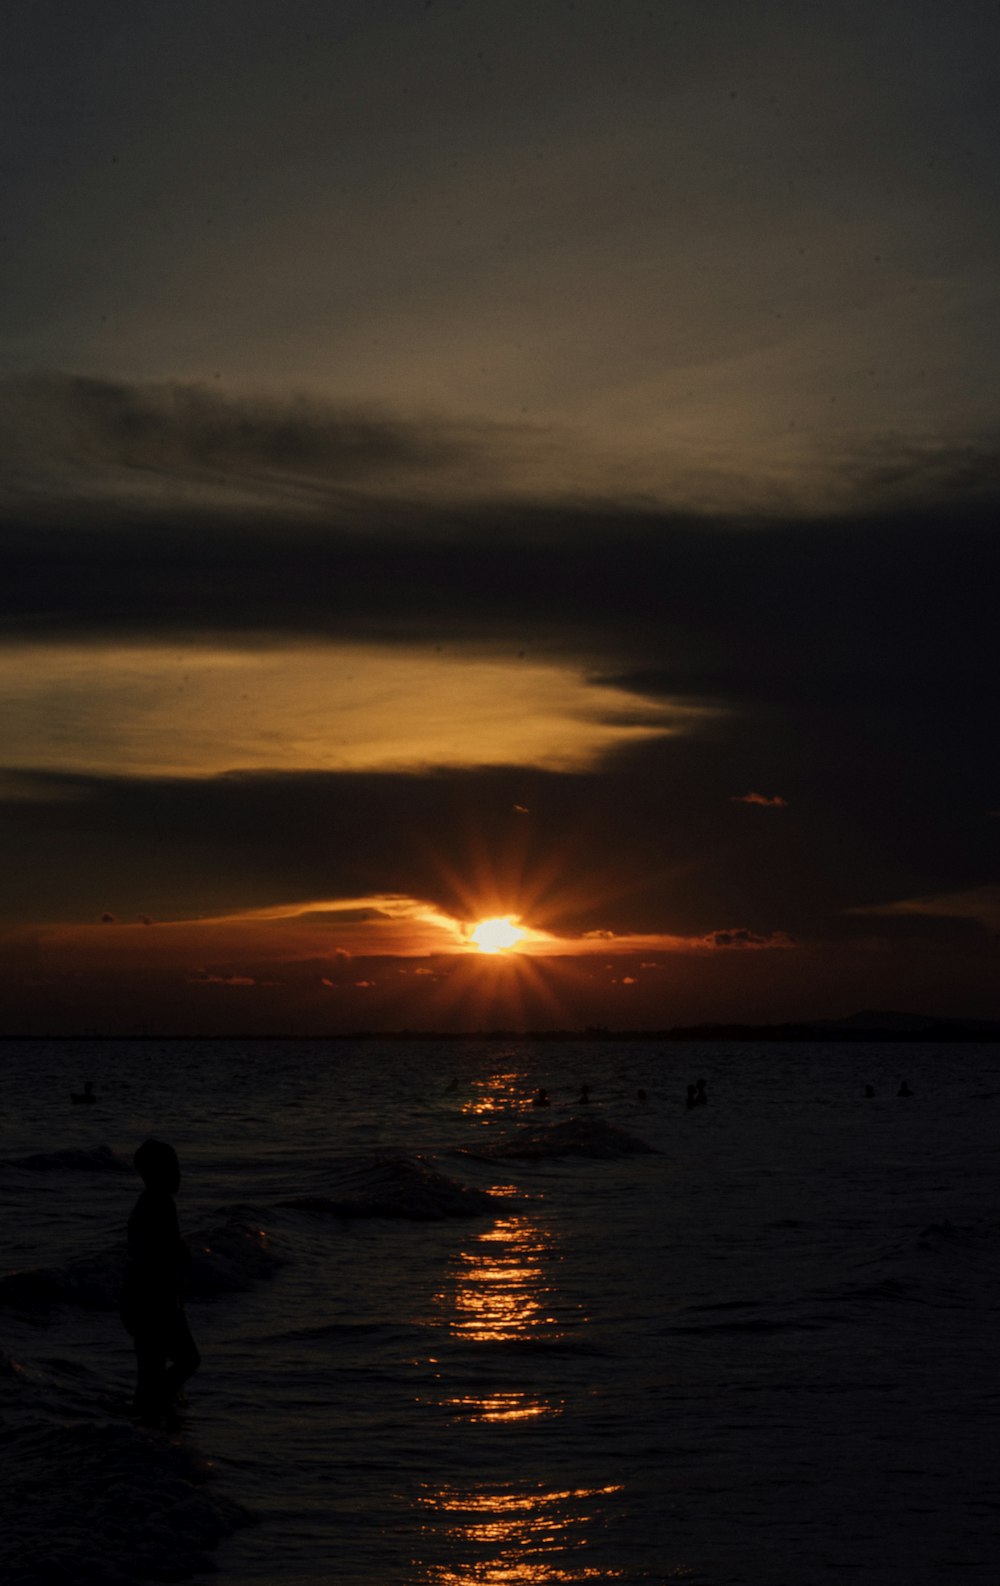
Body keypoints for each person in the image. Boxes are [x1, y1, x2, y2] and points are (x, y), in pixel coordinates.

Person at [119, 1139, 200, 1427]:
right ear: (155, 1173)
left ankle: (149, 1418)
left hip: (142, 1297)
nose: (178, 1175)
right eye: (172, 1169)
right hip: (152, 1299)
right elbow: (161, 1257)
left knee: (151, 1368)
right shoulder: (159, 1203)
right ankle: (153, 1408)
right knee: (186, 1360)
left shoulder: (151, 1202)